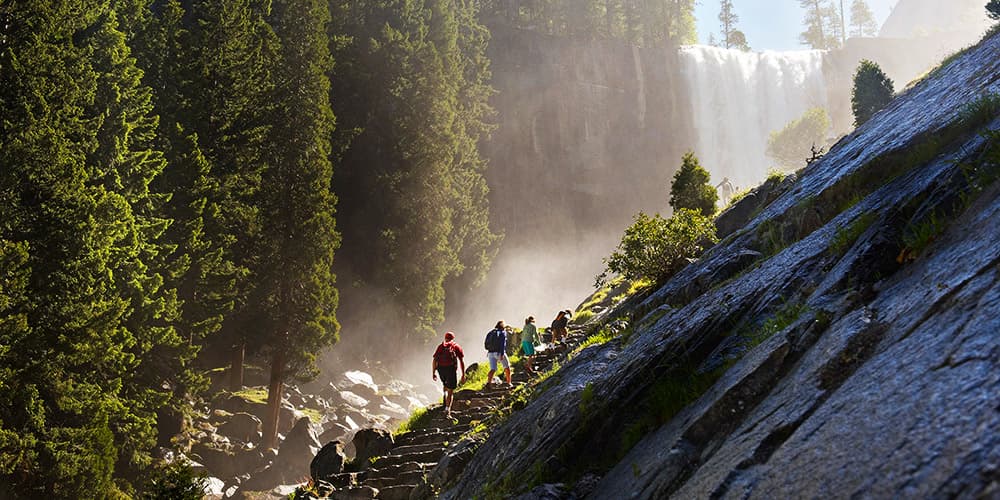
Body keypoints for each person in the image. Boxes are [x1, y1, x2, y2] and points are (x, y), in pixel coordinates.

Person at [432, 331, 466, 418]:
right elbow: (461, 361)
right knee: (451, 391)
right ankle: (447, 410)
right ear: (453, 338)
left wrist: (433, 373)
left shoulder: (441, 346)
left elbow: (434, 360)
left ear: (445, 337)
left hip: (441, 369)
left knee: (445, 384)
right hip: (451, 369)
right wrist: (463, 374)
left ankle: (444, 396)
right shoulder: (456, 346)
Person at [484, 320, 512, 388]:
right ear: (503, 326)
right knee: (507, 367)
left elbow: (485, 343)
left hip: (490, 353)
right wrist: (502, 354)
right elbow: (503, 344)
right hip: (499, 352)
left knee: (493, 369)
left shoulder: (490, 332)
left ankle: (489, 382)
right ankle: (509, 383)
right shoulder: (502, 332)